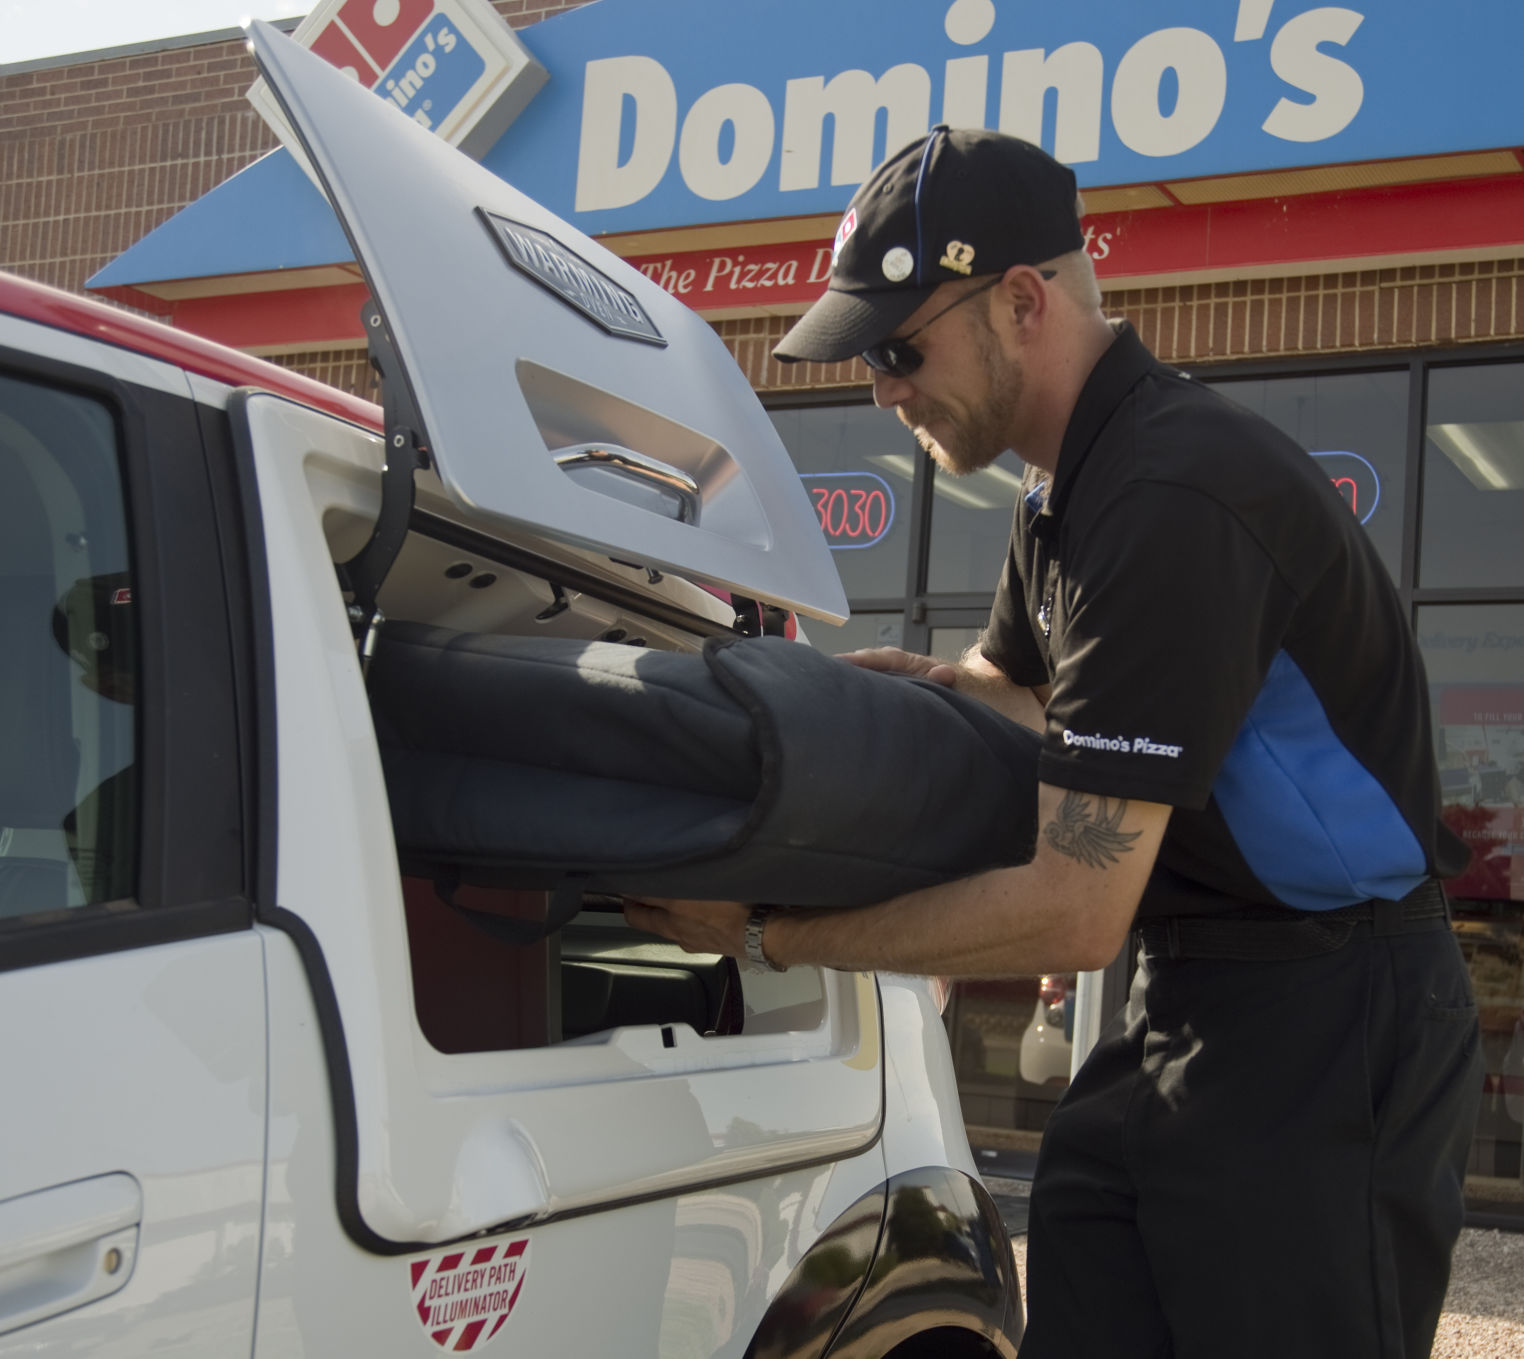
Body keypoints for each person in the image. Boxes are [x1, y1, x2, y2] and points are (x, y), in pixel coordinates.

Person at [624, 125, 1482, 1357]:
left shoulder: (1173, 495)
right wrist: (909, 691)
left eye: (898, 345)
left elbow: (1072, 909)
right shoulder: (1066, 497)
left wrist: (769, 935)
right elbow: (1023, 695)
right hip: (1186, 989)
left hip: (1334, 1021)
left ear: (1021, 301)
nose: (880, 387)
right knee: (1082, 1263)